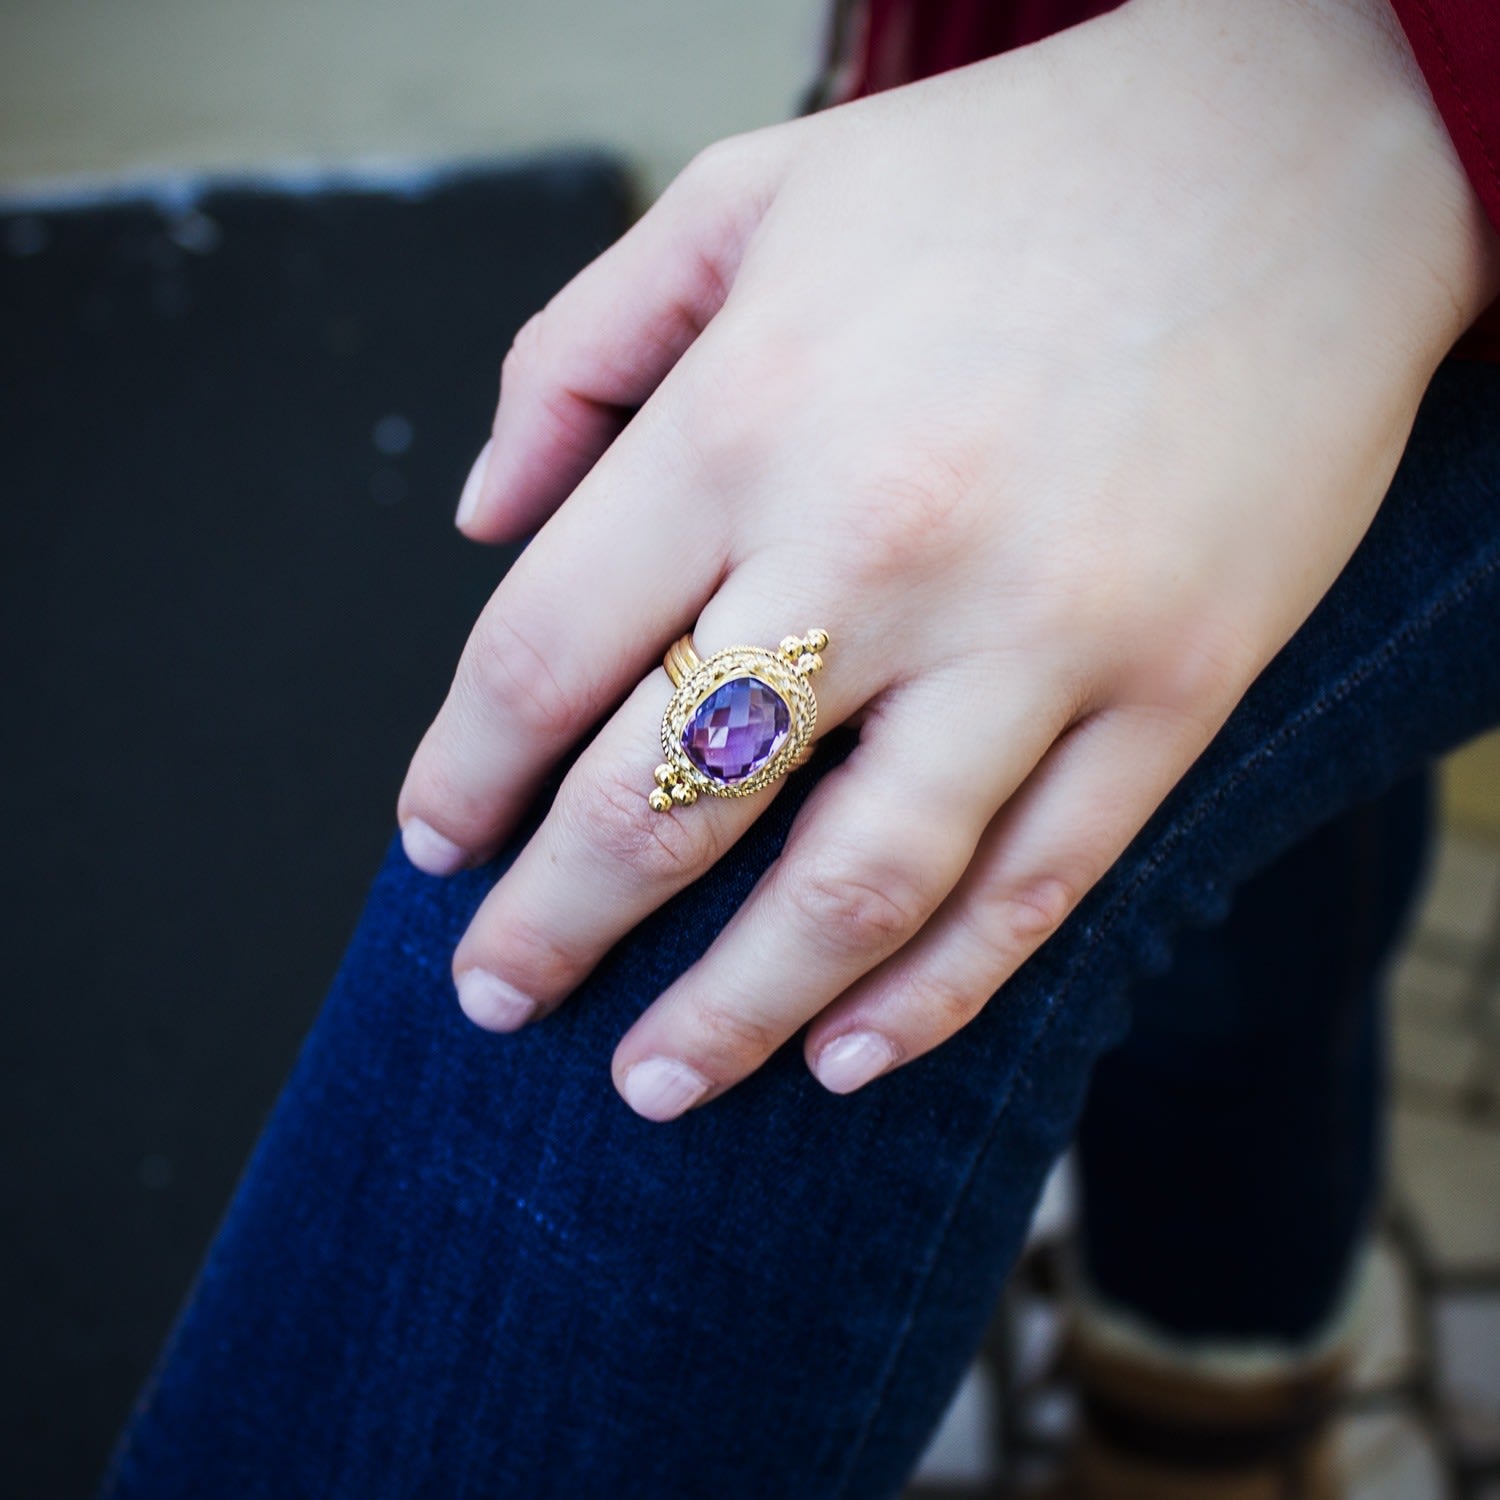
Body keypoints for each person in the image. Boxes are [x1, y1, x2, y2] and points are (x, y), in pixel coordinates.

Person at [99, 0, 1500, 1495]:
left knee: (759, 856)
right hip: (1003, 99)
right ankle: (1225, 1376)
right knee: (1083, 703)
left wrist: (1336, 79)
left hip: (1375, 127)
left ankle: (1220, 1388)